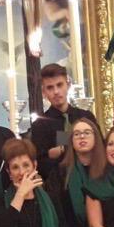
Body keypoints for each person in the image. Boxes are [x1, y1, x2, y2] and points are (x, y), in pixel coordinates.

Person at [30, 63, 95, 202]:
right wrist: (52, 154)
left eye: (59, 85)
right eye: (50, 87)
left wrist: (60, 150)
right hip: (60, 192)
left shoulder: (86, 117)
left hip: (92, 182)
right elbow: (40, 163)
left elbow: (99, 149)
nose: (56, 92)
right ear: (43, 92)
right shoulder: (40, 125)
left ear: (68, 84)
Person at [62, 117, 105, 227]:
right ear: (71, 141)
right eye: (76, 134)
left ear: (96, 137)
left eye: (87, 133)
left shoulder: (108, 170)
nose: (82, 137)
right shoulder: (61, 172)